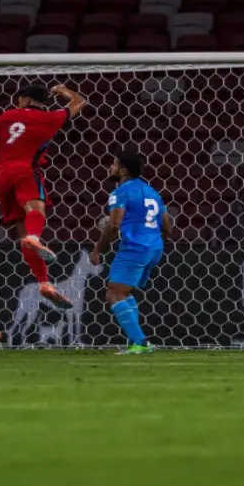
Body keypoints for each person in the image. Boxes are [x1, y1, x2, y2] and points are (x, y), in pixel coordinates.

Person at [0, 83, 87, 308]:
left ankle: (44, 282)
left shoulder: (6, 116)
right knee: (36, 211)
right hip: (26, 172)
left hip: (2, 178)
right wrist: (62, 90)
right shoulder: (50, 118)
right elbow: (80, 102)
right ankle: (35, 238)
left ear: (25, 99)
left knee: (22, 231)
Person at [90, 151, 169, 355]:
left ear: (123, 171)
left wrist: (98, 249)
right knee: (125, 292)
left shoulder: (121, 192)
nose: (111, 168)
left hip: (134, 247)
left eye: (114, 164)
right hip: (154, 247)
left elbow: (114, 224)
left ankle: (140, 343)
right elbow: (167, 227)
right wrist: (150, 240)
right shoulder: (152, 192)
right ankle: (136, 343)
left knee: (114, 294)